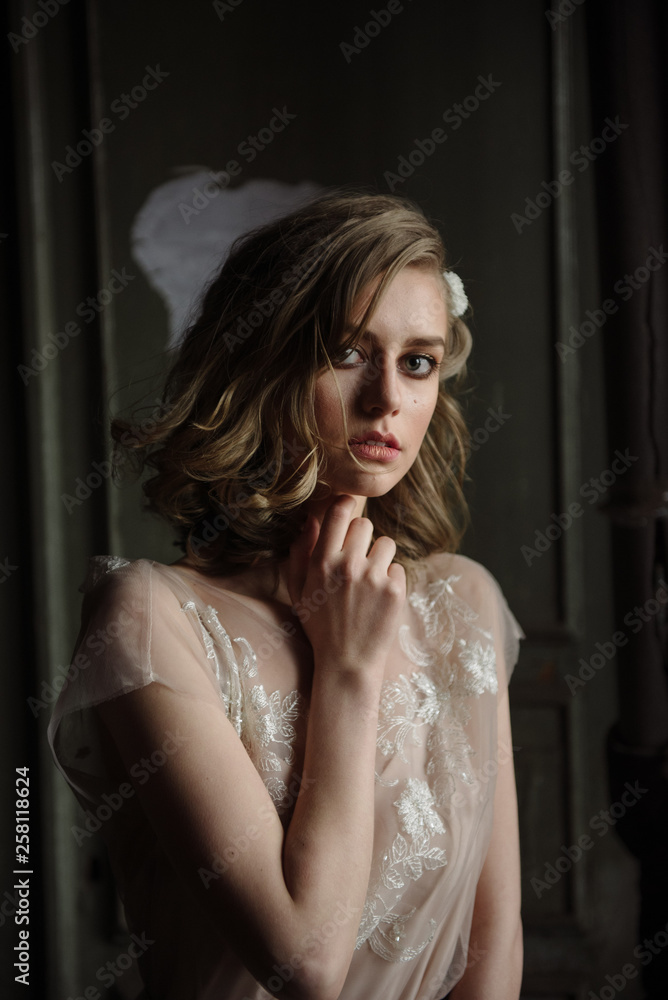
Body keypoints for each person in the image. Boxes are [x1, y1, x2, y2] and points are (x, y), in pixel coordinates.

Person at [48, 190, 525, 1000]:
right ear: (262, 361)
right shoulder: (150, 617)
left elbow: (496, 941)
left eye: (418, 361)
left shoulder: (462, 604)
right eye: (347, 353)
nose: (386, 401)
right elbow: (305, 964)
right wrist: (345, 670)